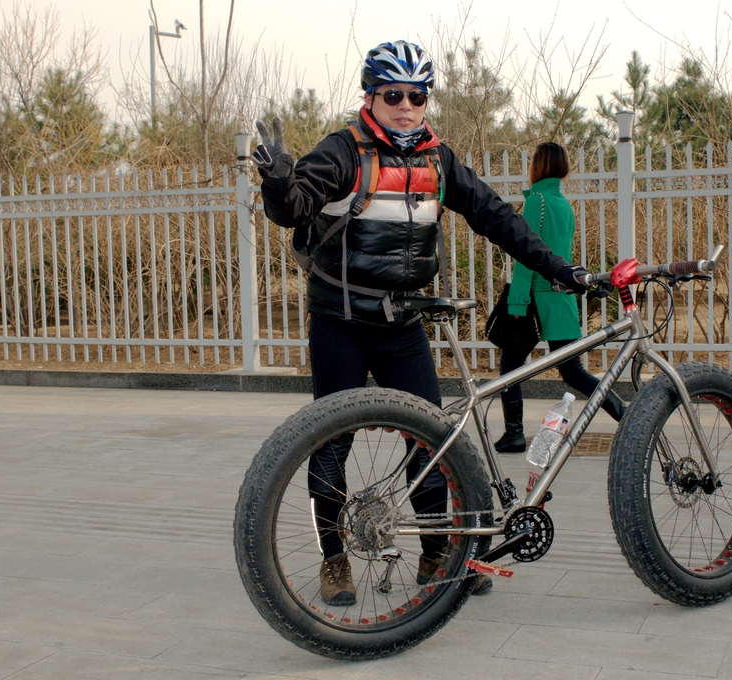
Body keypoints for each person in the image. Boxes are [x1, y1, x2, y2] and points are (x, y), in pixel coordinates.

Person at [252, 41, 591, 606]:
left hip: (403, 322)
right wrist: (278, 181)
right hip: (340, 321)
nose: (406, 106)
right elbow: (294, 208)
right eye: (393, 95)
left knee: (433, 441)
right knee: (331, 444)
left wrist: (560, 269)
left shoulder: (438, 159)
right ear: (370, 96)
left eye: (417, 95)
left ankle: (436, 555)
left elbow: (496, 217)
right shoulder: (343, 151)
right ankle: (334, 560)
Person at [493, 142, 627, 454]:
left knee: (510, 368)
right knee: (573, 372)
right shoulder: (563, 204)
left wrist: (516, 302)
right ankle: (625, 414)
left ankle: (514, 434)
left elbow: (527, 255)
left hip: (535, 301)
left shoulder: (536, 201)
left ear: (537, 165)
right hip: (560, 300)